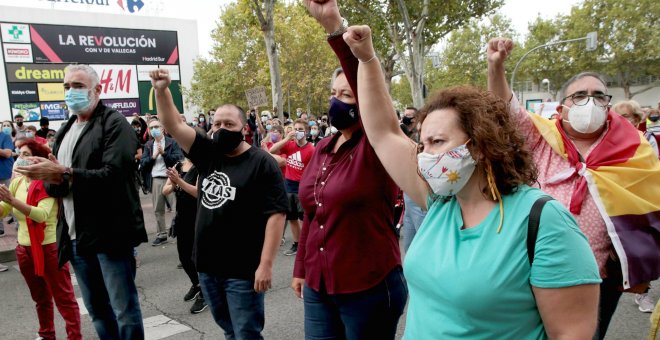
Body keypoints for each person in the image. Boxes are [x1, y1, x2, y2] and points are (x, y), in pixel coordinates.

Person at [343, 24, 601, 338]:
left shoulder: (544, 221)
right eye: (422, 144)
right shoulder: (439, 201)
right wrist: (367, 60)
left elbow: (571, 333)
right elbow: (383, 132)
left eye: (437, 142)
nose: (424, 156)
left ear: (478, 146)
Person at [486, 37, 660, 338]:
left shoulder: (634, 148)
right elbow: (505, 108)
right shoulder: (540, 136)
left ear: (608, 105)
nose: (589, 102)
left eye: (598, 96)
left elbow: (649, 200)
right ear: (562, 106)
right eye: (579, 95)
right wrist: (496, 66)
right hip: (531, 271)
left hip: (596, 278)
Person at [291, 2, 407, 339]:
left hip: (368, 287)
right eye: (333, 94)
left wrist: (335, 29)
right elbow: (313, 216)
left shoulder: (377, 147)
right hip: (318, 287)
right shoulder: (323, 149)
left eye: (347, 95)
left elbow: (366, 86)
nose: (337, 102)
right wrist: (301, 269)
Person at [150, 68, 288, 339]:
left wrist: (266, 264)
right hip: (208, 266)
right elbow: (173, 124)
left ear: (244, 129)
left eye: (229, 125)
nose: (221, 129)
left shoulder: (262, 163)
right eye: (217, 124)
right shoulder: (208, 153)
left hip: (243, 269)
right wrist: (161, 89)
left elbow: (276, 214)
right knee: (228, 329)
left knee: (246, 332)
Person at [15, 64, 147, 339]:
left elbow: (114, 176)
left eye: (77, 86)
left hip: (109, 234)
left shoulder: (114, 123)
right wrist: (48, 173)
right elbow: (56, 189)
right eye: (66, 87)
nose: (70, 92)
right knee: (98, 310)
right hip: (75, 238)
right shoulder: (64, 131)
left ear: (97, 90)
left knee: (124, 311)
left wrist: (63, 172)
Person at [0, 139, 81, 340]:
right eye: (19, 153)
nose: (21, 158)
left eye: (26, 154)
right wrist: (6, 202)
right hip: (24, 249)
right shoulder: (18, 182)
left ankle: (74, 336)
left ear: (40, 158)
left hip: (49, 248)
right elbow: (5, 210)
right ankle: (47, 334)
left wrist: (12, 201)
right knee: (40, 298)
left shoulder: (48, 184)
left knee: (63, 297)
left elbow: (41, 215)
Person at [162, 158, 208, 314]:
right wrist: (174, 183)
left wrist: (178, 182)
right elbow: (165, 189)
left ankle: (205, 292)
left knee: (199, 257)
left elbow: (198, 192)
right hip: (182, 217)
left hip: (198, 216)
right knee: (184, 256)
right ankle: (196, 284)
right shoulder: (178, 165)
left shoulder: (202, 166)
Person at [268, 119, 315, 256]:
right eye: (295, 128)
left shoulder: (311, 149)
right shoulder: (289, 145)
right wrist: (287, 138)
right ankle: (297, 244)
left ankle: (307, 245)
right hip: (288, 186)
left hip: (302, 187)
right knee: (292, 218)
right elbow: (272, 150)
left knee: (303, 219)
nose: (297, 131)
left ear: (305, 132)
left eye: (300, 129)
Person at [140, 119, 183, 246]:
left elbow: (179, 159)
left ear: (163, 128)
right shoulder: (148, 145)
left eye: (156, 126)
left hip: (171, 179)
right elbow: (143, 164)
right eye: (151, 127)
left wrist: (164, 154)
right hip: (156, 179)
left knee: (176, 207)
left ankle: (179, 232)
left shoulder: (172, 142)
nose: (154, 129)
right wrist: (153, 156)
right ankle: (161, 234)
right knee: (158, 209)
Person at [0, 121, 14, 239]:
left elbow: (8, 154)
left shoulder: (4, 137)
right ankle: (0, 229)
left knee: (10, 200)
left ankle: (20, 225)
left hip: (4, 174)